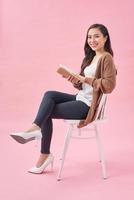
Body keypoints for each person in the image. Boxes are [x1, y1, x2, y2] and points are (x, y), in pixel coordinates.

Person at [10, 23, 117, 174]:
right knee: (49, 95)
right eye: (89, 37)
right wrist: (74, 80)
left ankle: (43, 151)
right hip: (80, 98)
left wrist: (86, 79)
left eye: (96, 36)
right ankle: (36, 130)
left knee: (46, 110)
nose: (92, 40)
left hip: (88, 106)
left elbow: (109, 86)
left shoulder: (107, 58)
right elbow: (83, 86)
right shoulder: (90, 57)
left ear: (105, 38)